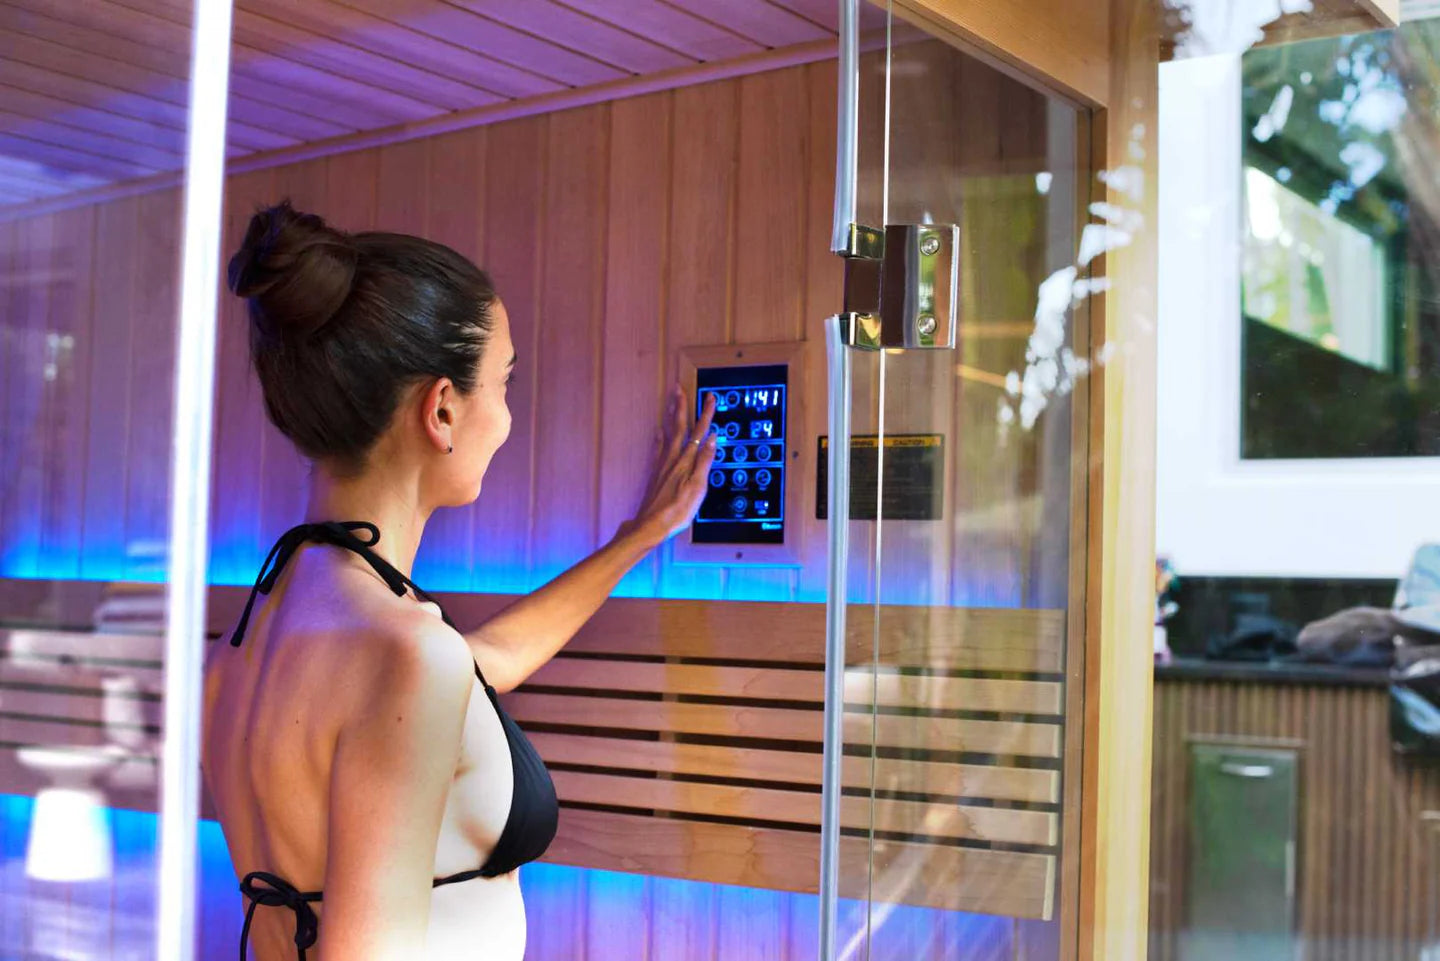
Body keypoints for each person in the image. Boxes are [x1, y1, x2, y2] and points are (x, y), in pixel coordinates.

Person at [202, 201, 717, 961]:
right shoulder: (403, 654)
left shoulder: (249, 649)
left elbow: (481, 667)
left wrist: (640, 535)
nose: (506, 418)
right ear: (441, 408)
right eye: (503, 383)